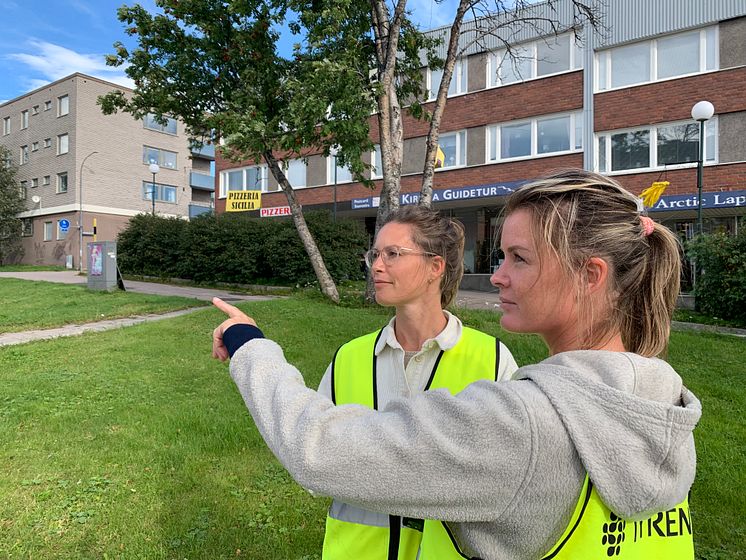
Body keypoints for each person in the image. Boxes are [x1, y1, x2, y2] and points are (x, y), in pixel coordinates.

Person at [212, 169, 701, 559]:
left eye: (519, 259)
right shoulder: (661, 406)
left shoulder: (520, 424)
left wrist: (249, 345)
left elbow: (318, 448)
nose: (498, 277)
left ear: (589, 275)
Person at [321, 206, 518, 559]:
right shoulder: (348, 358)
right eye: (375, 254)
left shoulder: (492, 360)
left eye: (393, 254)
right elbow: (318, 458)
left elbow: (505, 480)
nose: (377, 266)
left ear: (434, 267)